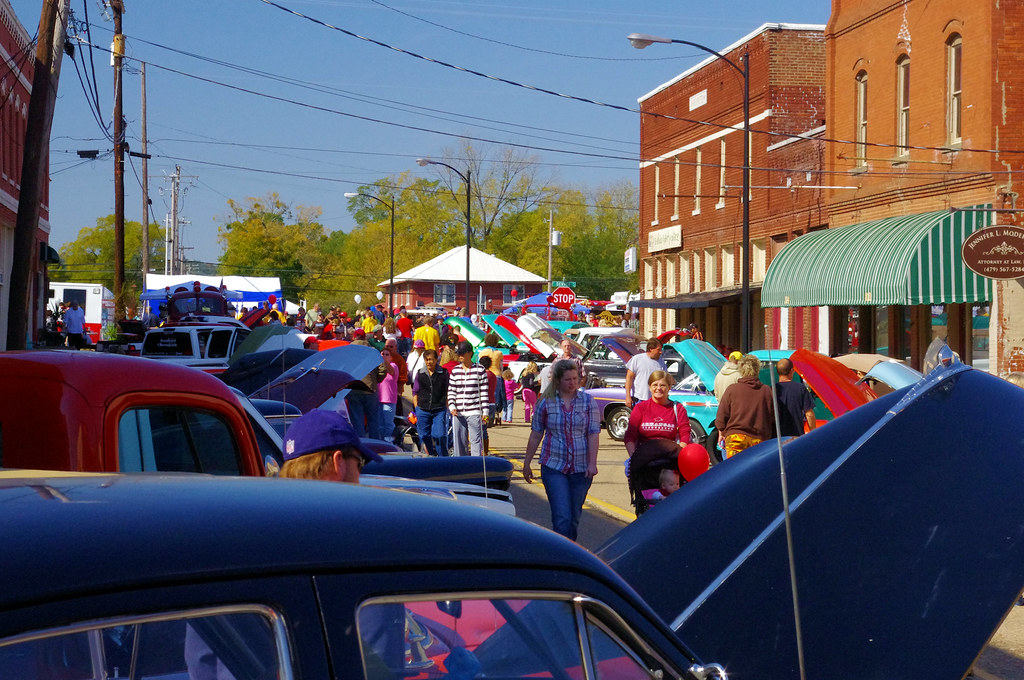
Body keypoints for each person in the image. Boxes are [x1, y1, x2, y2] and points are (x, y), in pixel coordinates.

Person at [522, 359, 600, 541]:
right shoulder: (546, 402)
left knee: (573, 518)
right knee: (562, 518)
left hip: (581, 469)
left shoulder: (588, 401)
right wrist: (527, 463)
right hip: (554, 466)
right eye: (568, 379)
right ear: (558, 380)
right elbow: (536, 434)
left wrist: (592, 463)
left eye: (575, 379)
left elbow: (593, 433)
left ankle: (570, 552)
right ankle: (563, 558)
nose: (572, 383)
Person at [279, 409, 382, 482]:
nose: (359, 476)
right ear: (338, 462)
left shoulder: (270, 510)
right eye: (360, 464)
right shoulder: (357, 512)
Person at [715, 354, 775, 458]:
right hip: (759, 441)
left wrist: (721, 432)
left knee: (734, 471)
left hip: (736, 439)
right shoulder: (766, 391)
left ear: (741, 370)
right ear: (757, 370)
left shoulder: (732, 389)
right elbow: (773, 418)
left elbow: (722, 415)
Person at [623, 371, 691, 459]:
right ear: (650, 387)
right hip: (644, 458)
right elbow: (630, 436)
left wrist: (678, 455)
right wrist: (634, 458)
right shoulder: (640, 407)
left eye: (662, 385)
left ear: (669, 387)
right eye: (655, 385)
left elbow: (685, 433)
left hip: (669, 458)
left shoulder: (678, 408)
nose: (658, 388)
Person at [447, 341, 489, 456]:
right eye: (458, 353)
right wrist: (452, 406)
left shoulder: (480, 370)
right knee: (459, 443)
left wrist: (485, 412)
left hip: (475, 411)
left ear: (470, 353)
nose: (459, 355)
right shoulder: (455, 371)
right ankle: (461, 467)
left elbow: (484, 393)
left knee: (476, 441)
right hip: (458, 413)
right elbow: (451, 391)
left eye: (462, 353)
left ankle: (476, 467)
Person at [413, 350, 449, 456]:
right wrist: (417, 408)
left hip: (439, 409)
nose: (429, 362)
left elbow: (448, 390)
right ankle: (431, 454)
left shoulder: (444, 373)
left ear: (436, 359)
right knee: (423, 435)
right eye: (427, 360)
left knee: (439, 435)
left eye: (431, 359)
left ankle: (443, 458)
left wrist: (446, 406)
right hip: (422, 409)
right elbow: (415, 391)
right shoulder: (420, 373)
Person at [774, 357, 817, 437]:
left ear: (777, 372)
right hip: (795, 436)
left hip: (776, 439)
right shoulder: (800, 388)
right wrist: (813, 433)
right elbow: (809, 414)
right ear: (791, 371)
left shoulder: (771, 390)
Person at [624, 338, 666, 408]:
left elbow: (665, 380)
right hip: (640, 399)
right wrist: (628, 397)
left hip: (656, 400)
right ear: (651, 349)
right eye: (658, 349)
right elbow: (629, 378)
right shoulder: (637, 359)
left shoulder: (661, 362)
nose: (660, 352)